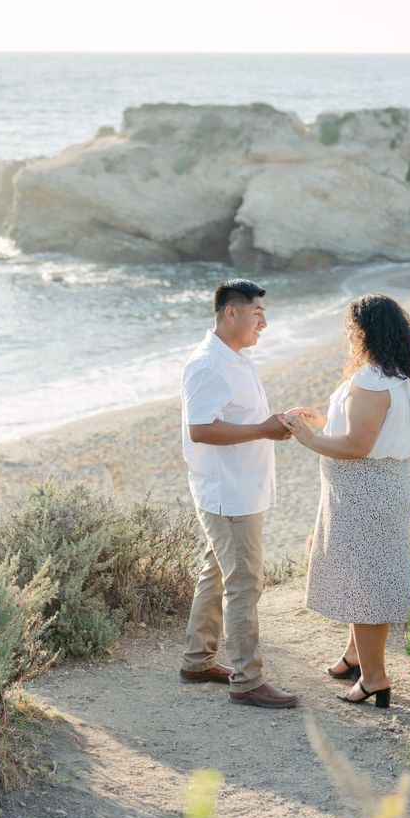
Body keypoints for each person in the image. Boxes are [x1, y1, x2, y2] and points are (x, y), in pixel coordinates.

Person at [278, 294, 410, 709]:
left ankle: (375, 678)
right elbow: (365, 430)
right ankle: (354, 656)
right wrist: (320, 421)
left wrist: (306, 437)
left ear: (362, 332)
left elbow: (358, 445)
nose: (348, 337)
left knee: (365, 585)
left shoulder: (370, 380)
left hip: (367, 491)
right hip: (386, 485)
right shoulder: (395, 374)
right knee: (363, 574)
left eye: (350, 330)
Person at [179, 278, 299, 709]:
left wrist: (275, 420)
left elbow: (237, 416)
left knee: (216, 571)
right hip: (227, 492)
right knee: (244, 582)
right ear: (231, 313)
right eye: (256, 314)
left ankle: (197, 660)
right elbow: (202, 428)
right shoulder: (209, 363)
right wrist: (265, 428)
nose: (263, 324)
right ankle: (247, 681)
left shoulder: (236, 357)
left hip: (240, 486)